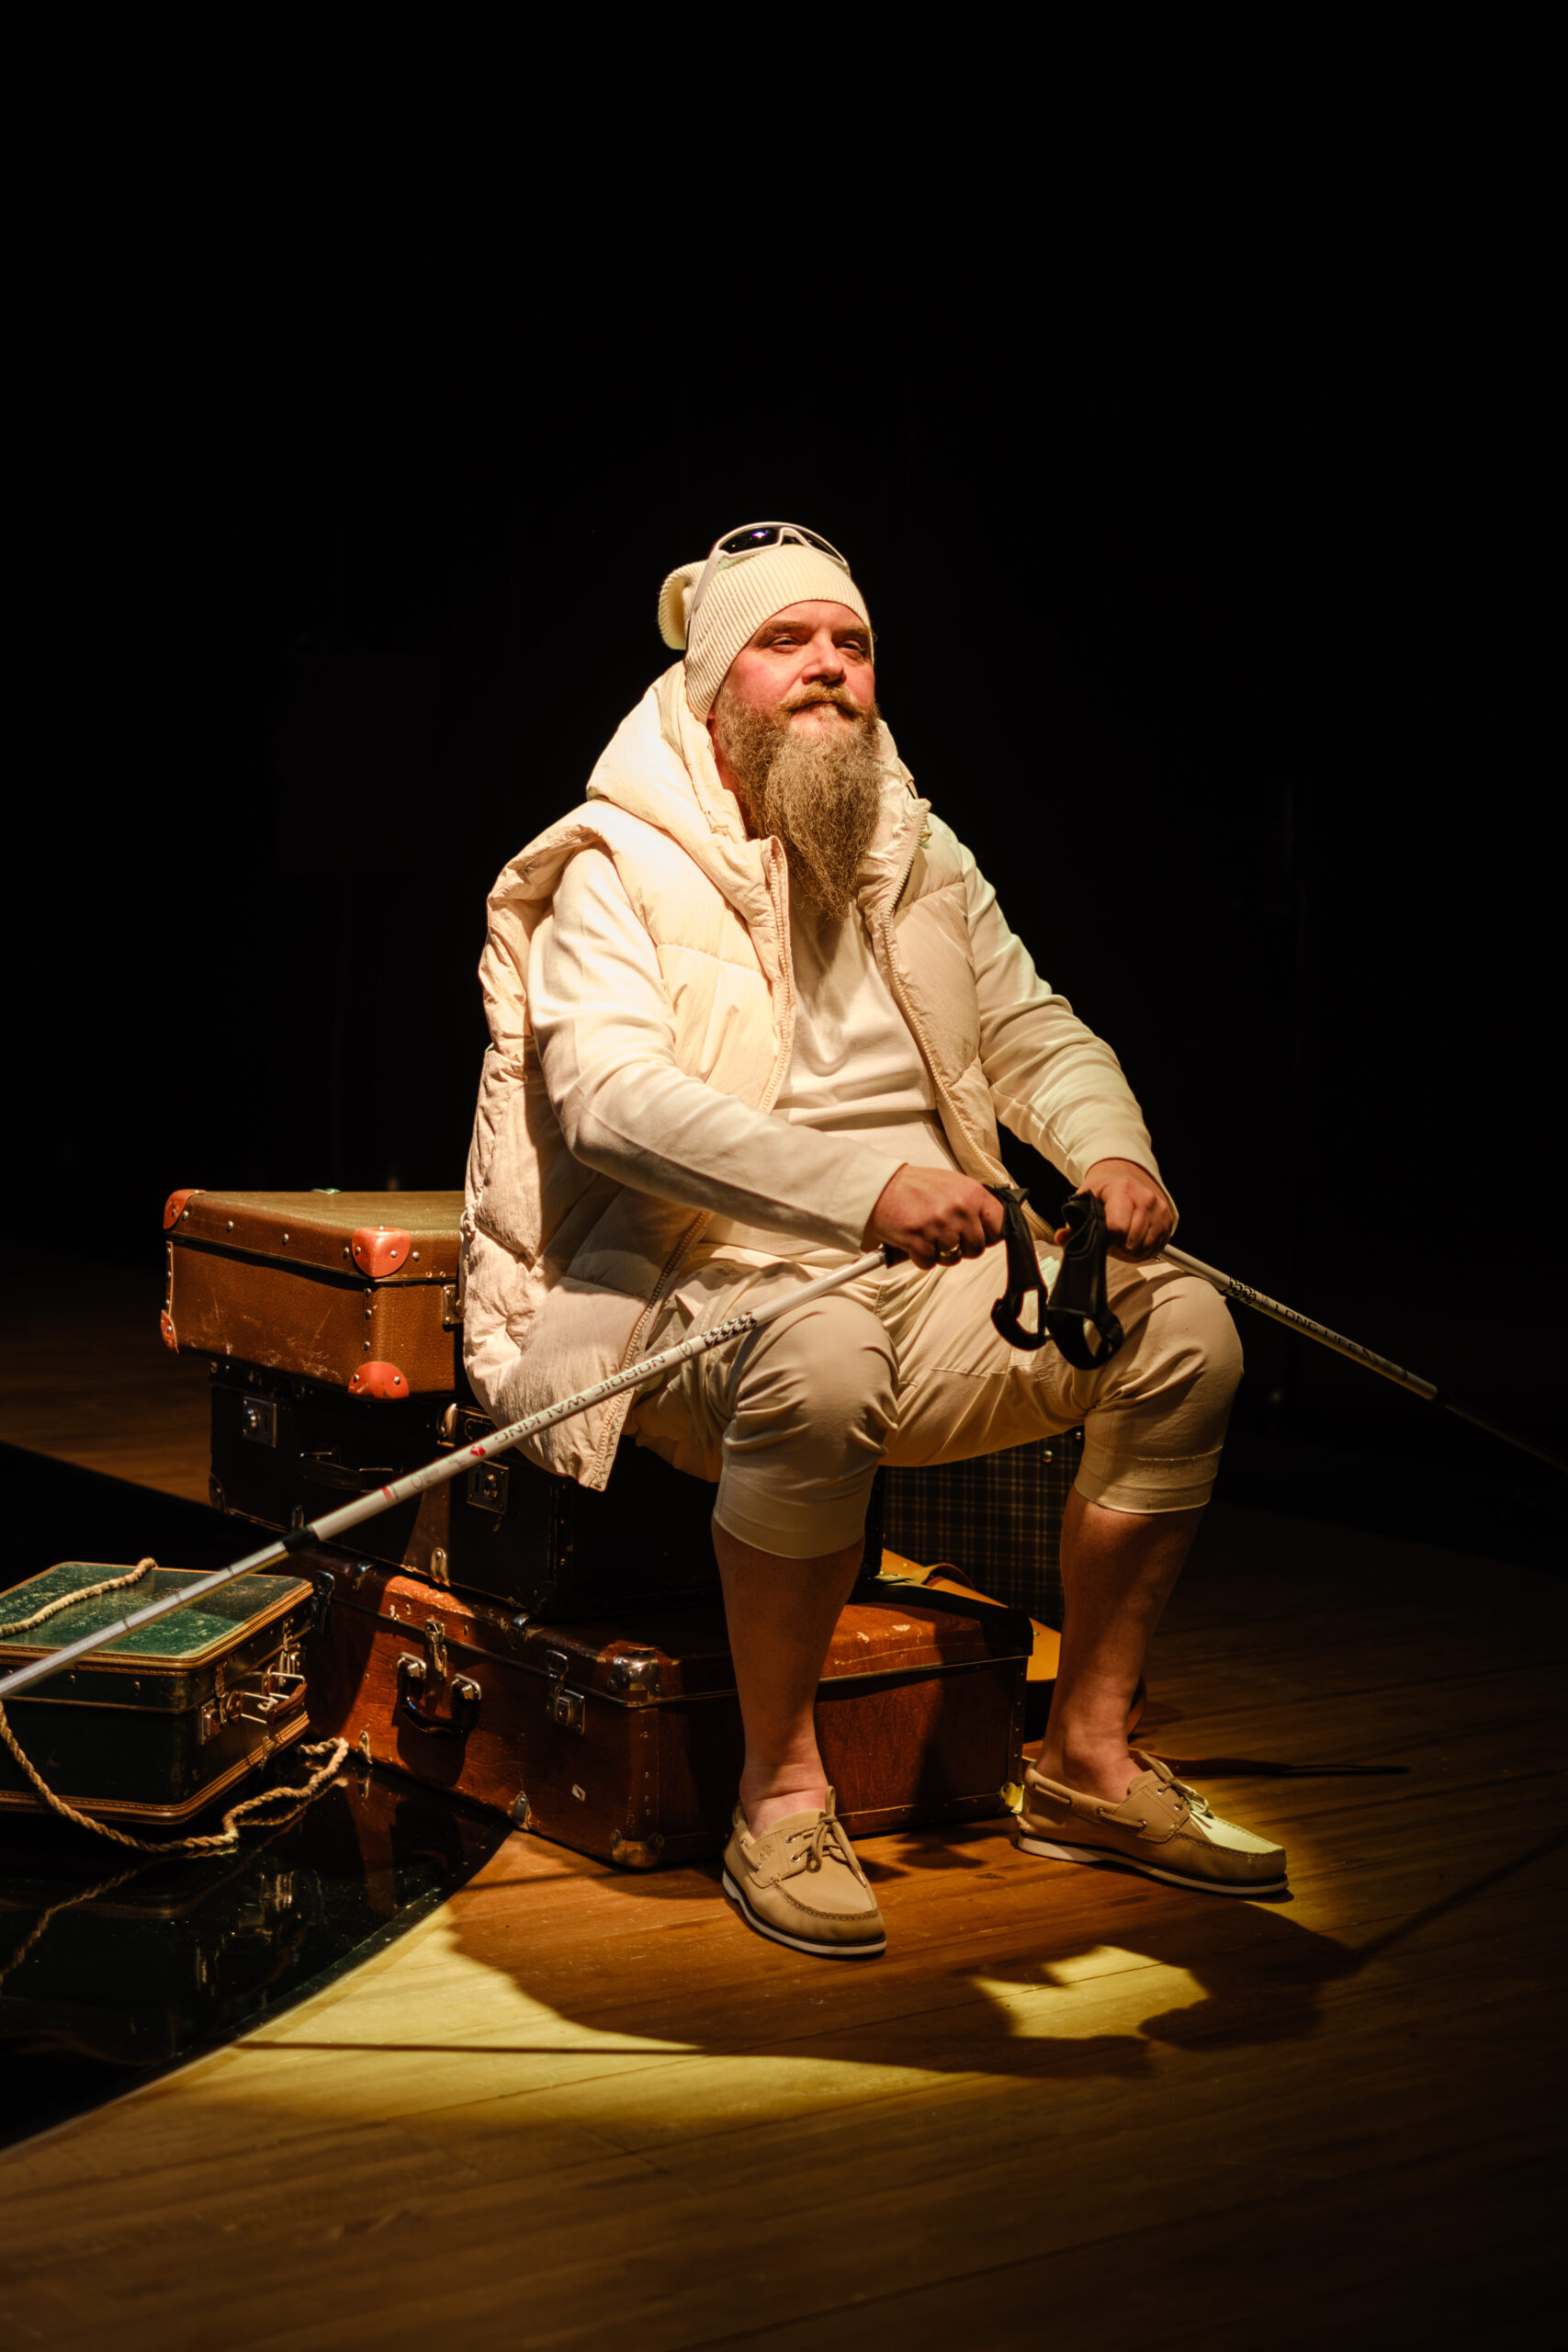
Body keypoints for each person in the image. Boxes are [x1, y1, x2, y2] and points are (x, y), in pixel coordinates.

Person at [463, 520, 1285, 1960]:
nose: (829, 666)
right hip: (690, 1287)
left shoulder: (917, 851)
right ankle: (781, 1796)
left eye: (852, 643)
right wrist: (862, 1190)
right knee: (824, 1351)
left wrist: (1111, 1156)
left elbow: (1034, 1032)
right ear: (715, 685)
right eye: (785, 641)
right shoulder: (616, 865)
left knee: (1186, 1335)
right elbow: (609, 1100)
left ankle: (1087, 1758)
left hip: (937, 1285)